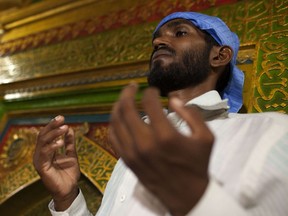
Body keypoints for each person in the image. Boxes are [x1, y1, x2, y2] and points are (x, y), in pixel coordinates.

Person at [33, 12, 288, 216]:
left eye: (180, 32)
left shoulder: (270, 132)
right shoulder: (139, 145)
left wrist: (196, 197)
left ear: (219, 56)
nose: (158, 42)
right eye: (156, 41)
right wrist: (67, 200)